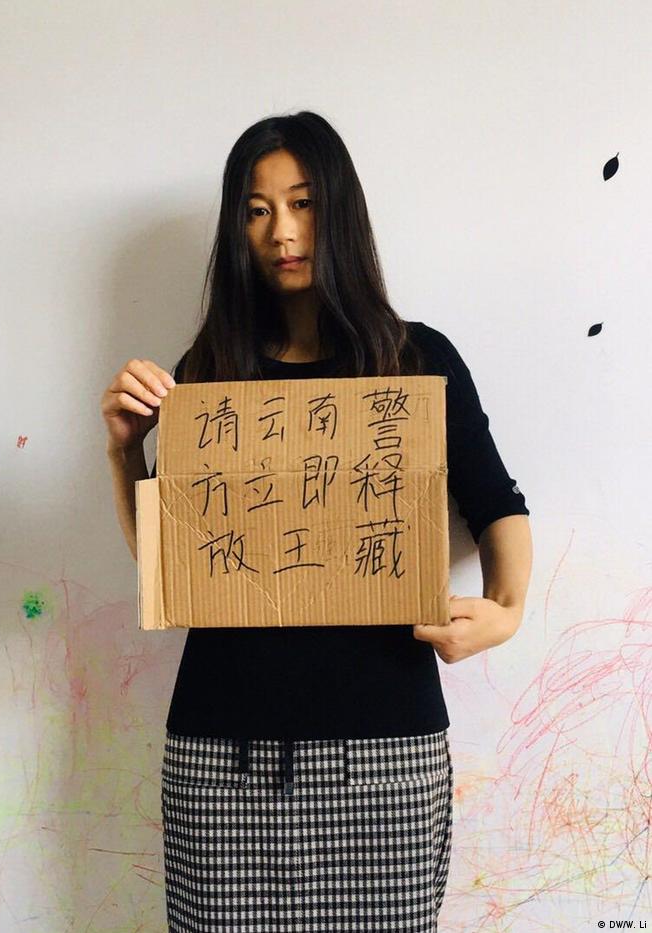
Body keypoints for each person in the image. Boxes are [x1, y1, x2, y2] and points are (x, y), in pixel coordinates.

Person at [101, 111, 533, 933]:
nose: (283, 231)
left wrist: (507, 611)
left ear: (339, 210)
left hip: (385, 756)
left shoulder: (416, 360)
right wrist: (125, 451)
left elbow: (498, 505)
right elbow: (171, 570)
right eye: (257, 210)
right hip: (222, 757)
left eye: (302, 202)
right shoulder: (209, 372)